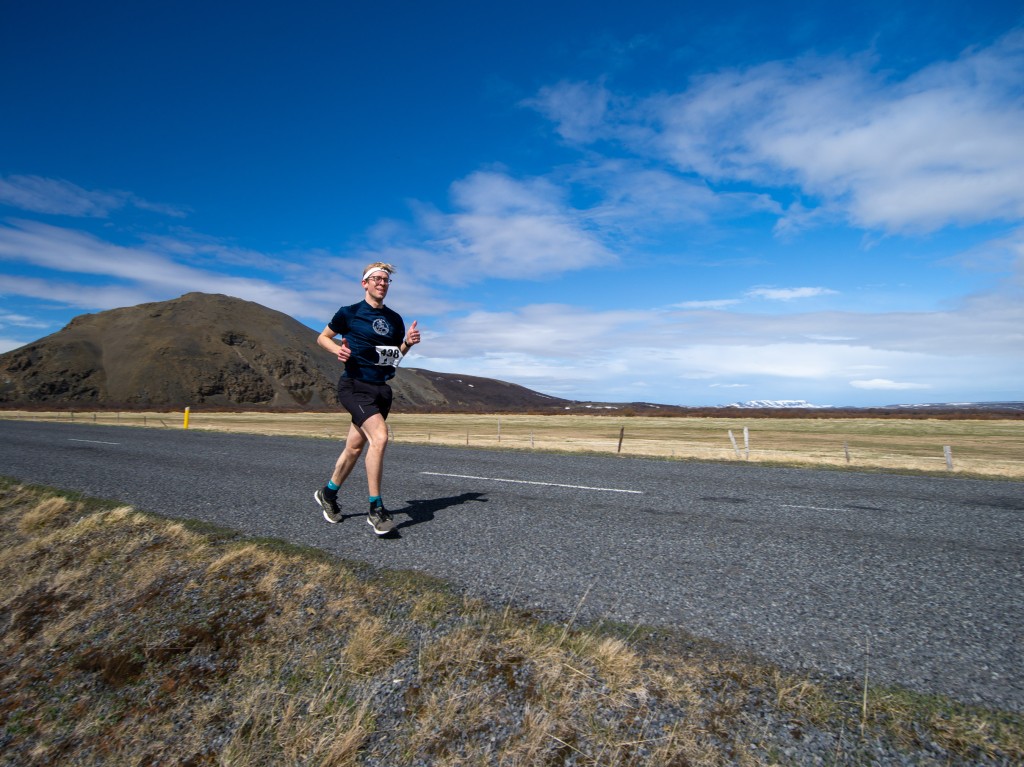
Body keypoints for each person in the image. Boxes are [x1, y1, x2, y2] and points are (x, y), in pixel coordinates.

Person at [314, 262, 421, 535]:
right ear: (365, 283)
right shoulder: (349, 313)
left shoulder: (395, 319)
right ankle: (376, 508)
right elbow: (322, 337)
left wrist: (407, 342)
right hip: (354, 386)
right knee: (380, 437)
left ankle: (328, 493)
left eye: (385, 280)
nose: (382, 283)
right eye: (376, 279)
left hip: (381, 389)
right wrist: (337, 349)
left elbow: (395, 357)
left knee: (354, 448)